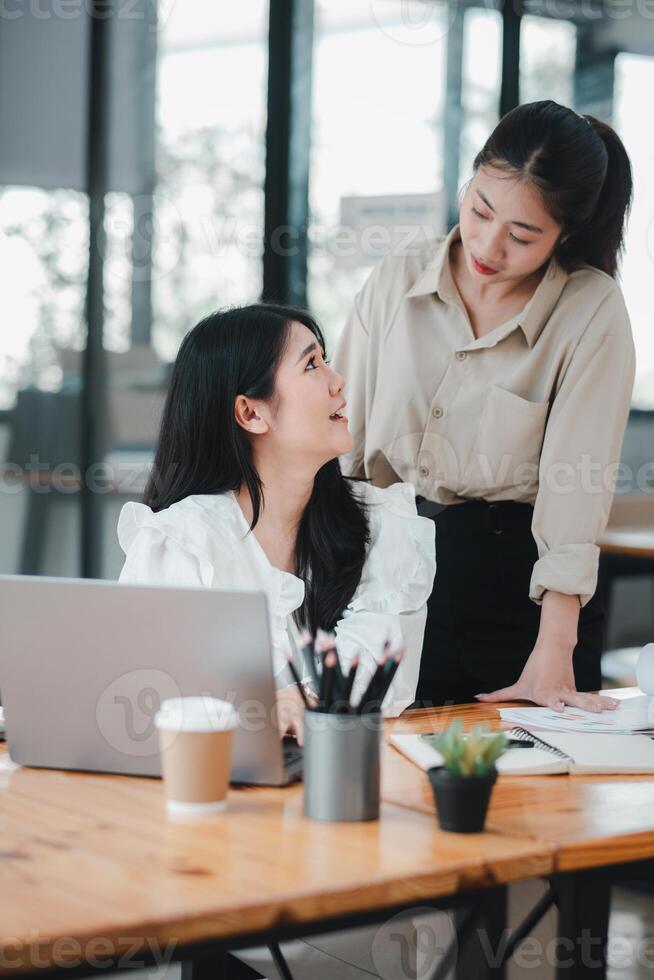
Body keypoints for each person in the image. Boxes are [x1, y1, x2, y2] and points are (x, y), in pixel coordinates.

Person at [116, 303, 436, 980]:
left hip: (347, 822)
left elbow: (391, 684)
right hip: (214, 839)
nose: (339, 381)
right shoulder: (181, 540)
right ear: (250, 413)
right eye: (314, 365)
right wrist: (272, 703)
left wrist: (284, 696)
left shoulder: (381, 524)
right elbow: (145, 701)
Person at [333, 100, 636, 713]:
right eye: (479, 210)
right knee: (381, 788)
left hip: (517, 597)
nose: (488, 246)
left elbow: (574, 494)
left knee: (528, 796)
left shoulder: (589, 310)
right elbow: (343, 448)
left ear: (565, 236)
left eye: (522, 235)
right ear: (469, 183)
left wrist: (554, 650)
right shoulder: (398, 279)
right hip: (388, 574)